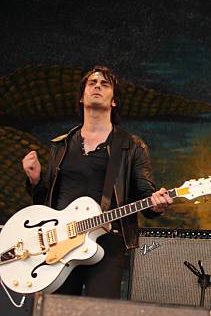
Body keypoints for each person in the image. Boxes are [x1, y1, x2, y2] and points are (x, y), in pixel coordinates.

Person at [21, 65, 172, 299]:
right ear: (81, 97)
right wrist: (35, 179)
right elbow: (45, 203)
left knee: (99, 313)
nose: (97, 86)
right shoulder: (61, 145)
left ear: (114, 101)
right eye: (92, 83)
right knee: (55, 315)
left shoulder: (131, 146)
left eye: (105, 84)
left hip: (107, 242)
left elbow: (145, 195)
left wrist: (155, 203)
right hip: (60, 243)